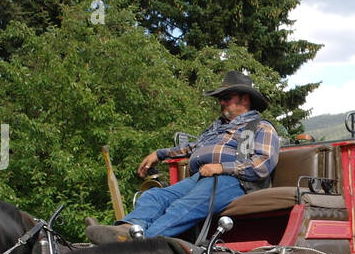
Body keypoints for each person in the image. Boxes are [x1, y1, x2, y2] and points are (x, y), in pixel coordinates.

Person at [85, 71, 280, 242]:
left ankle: (141, 244)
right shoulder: (217, 129)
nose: (221, 102)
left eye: (226, 97)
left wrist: (221, 168)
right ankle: (127, 230)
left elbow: (261, 164)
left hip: (234, 182)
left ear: (244, 100)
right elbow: (194, 147)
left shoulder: (259, 127)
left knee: (183, 206)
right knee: (154, 196)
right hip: (201, 178)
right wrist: (159, 154)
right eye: (220, 98)